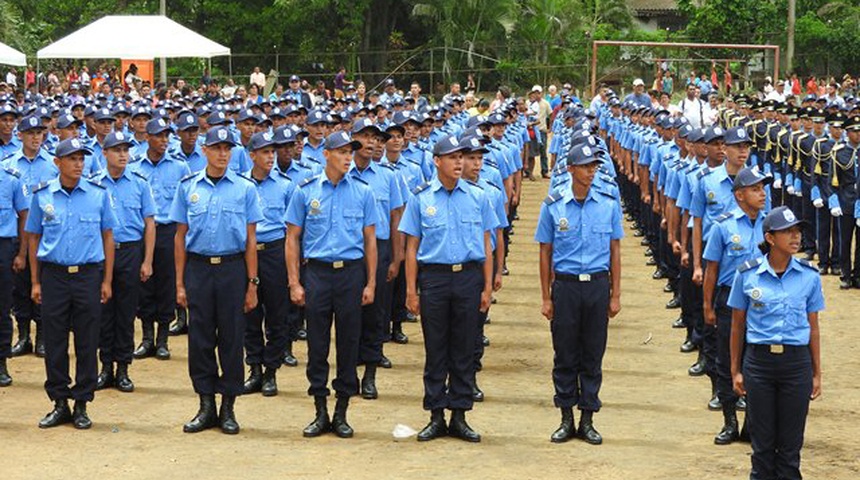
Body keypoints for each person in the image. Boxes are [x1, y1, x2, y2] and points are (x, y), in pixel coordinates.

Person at [399, 135, 497, 443]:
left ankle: (460, 414)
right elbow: (411, 247)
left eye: (462, 157)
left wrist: (486, 287)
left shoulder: (478, 196)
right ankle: (436, 414)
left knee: (464, 349)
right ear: (437, 161)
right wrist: (411, 291)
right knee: (436, 348)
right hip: (435, 280)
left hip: (468, 278)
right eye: (452, 157)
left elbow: (486, 245)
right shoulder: (421, 198)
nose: (459, 162)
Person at [170, 126, 263, 435]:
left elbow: (251, 240)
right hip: (198, 269)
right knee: (200, 339)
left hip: (233, 269)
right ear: (205, 151)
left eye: (228, 148)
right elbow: (180, 237)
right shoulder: (187, 187)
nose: (223, 153)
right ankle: (205, 404)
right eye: (217, 148)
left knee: (232, 338)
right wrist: (180, 283)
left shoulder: (245, 188)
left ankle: (228, 407)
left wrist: (252, 283)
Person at [286, 130, 377, 439]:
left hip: (351, 274)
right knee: (317, 344)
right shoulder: (306, 191)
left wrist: (371, 282)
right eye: (341, 152)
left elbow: (370, 240)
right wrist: (294, 282)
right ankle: (320, 409)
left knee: (349, 344)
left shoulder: (363, 191)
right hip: (318, 274)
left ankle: (341, 411)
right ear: (326, 154)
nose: (348, 157)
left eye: (350, 152)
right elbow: (292, 238)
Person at [25, 138, 118, 429]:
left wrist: (107, 280)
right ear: (58, 162)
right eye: (72, 158)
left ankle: (81, 403)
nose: (79, 164)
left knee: (87, 340)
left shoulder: (98, 194)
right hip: (53, 276)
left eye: (82, 158)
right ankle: (59, 401)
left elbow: (108, 237)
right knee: (54, 341)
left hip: (88, 275)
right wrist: (35, 281)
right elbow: (34, 238)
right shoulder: (42, 195)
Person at [535, 143, 623, 445]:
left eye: (594, 166)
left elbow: (615, 249)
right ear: (570, 168)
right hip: (566, 286)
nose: (591, 170)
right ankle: (566, 417)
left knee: (592, 353)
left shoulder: (608, 203)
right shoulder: (553, 204)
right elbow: (545, 252)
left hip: (597, 285)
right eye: (585, 166)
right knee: (565, 353)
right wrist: (546, 297)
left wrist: (615, 294)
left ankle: (588, 418)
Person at [728, 206, 824, 480]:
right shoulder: (748, 274)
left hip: (796, 365)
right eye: (788, 232)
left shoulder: (809, 276)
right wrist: (736, 370)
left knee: (791, 446)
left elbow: (813, 328)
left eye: (798, 231)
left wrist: (816, 373)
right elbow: (737, 326)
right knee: (763, 445)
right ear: (770, 238)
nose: (796, 237)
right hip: (759, 365)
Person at [702, 165, 769, 445]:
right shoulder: (724, 225)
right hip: (729, 300)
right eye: (755, 189)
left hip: (762, 303)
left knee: (757, 363)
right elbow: (712, 270)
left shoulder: (771, 226)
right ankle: (729, 422)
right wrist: (707, 306)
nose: (762, 194)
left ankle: (752, 424)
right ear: (739, 195)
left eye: (762, 188)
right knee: (728, 361)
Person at [92, 132, 156, 393]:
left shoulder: (140, 183)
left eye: (125, 150)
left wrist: (148, 260)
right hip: (101, 253)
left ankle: (123, 369)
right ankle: (105, 366)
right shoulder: (94, 184)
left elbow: (150, 223)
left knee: (127, 313)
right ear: (104, 153)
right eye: (116, 150)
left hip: (131, 251)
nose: (122, 155)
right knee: (103, 312)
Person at [347, 120, 404, 400]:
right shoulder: (340, 173)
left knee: (375, 313)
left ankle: (369, 374)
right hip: (348, 250)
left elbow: (396, 218)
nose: (371, 142)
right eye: (365, 136)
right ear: (353, 139)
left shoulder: (387, 176)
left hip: (379, 249)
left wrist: (396, 256)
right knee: (347, 315)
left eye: (375, 138)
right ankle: (348, 375)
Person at [130, 118, 191, 361]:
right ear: (148, 138)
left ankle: (162, 339)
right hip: (143, 232)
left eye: (167, 136)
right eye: (159, 136)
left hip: (168, 231)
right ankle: (146, 338)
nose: (164, 140)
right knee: (144, 284)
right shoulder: (135, 166)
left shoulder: (179, 167)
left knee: (167, 284)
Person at [241, 132, 295, 397]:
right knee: (249, 313)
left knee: (277, 314)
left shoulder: (285, 185)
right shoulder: (240, 185)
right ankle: (255, 369)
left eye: (272, 152)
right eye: (265, 152)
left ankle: (271, 371)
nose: (270, 157)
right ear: (252, 155)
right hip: (247, 252)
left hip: (275, 251)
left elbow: (293, 228)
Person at [0, 160, 29, 386]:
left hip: (4, 247)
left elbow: (24, 216)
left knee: (2, 307)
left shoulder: (11, 179)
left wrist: (21, 253)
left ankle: (1, 362)